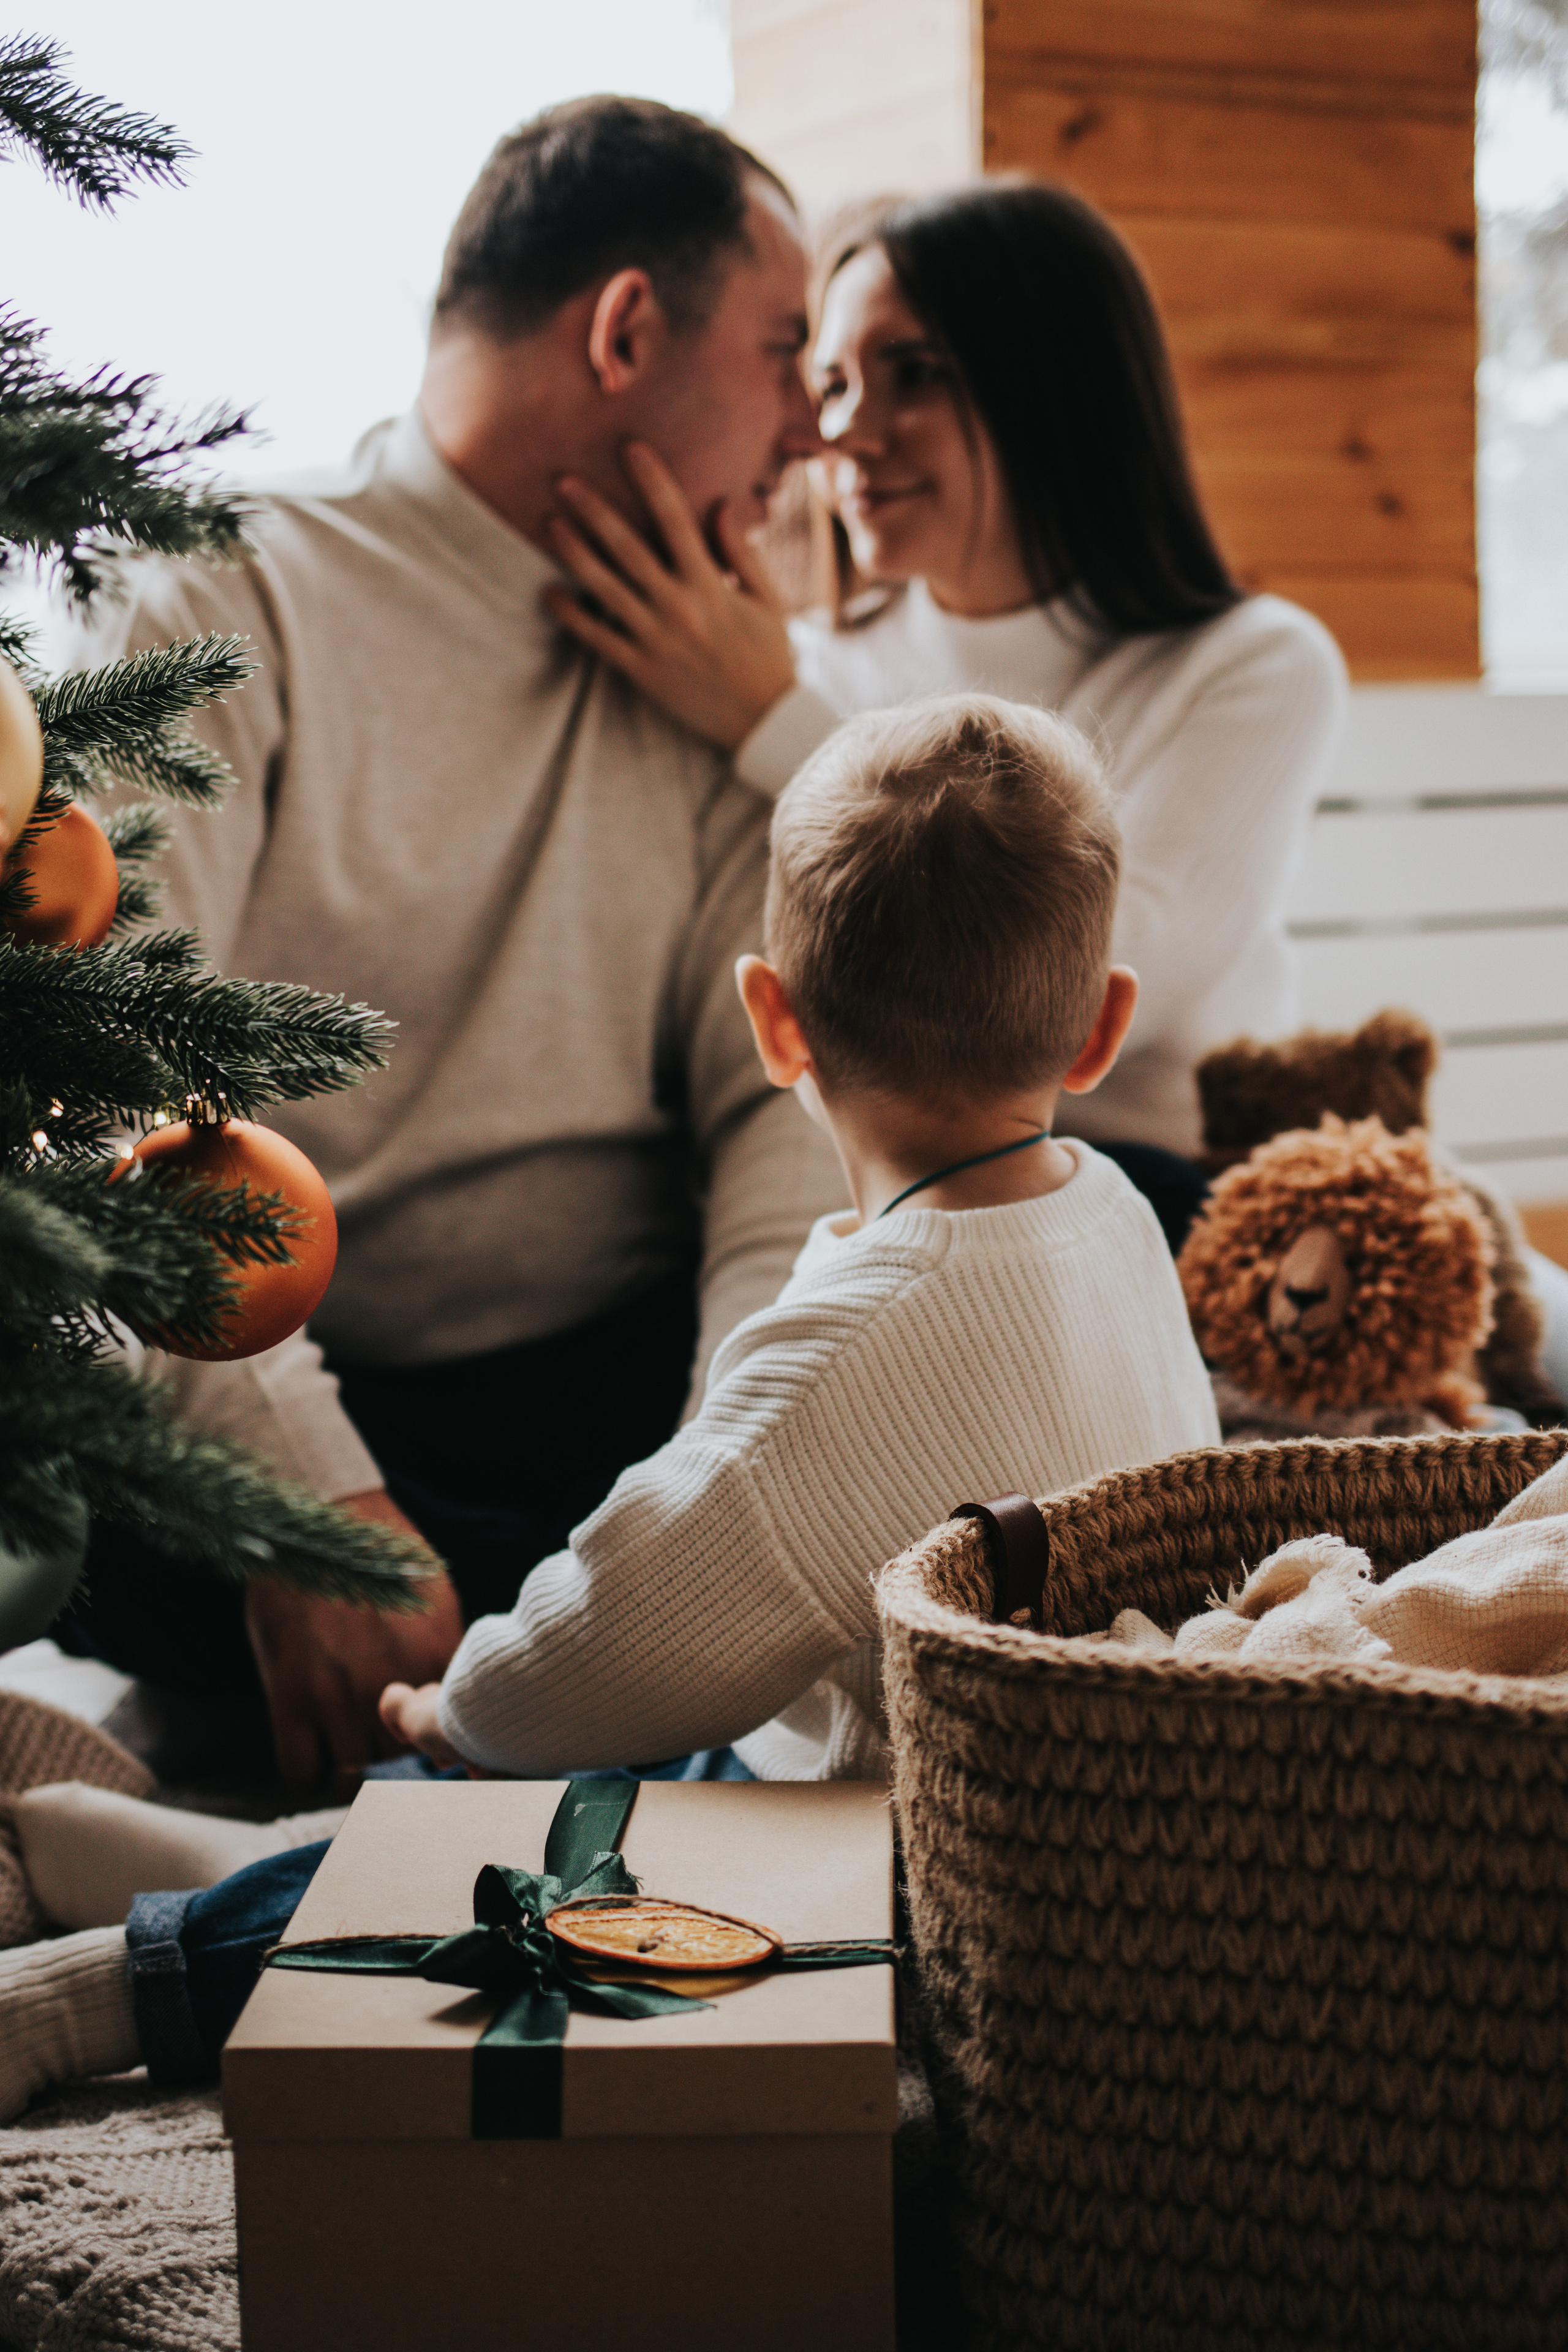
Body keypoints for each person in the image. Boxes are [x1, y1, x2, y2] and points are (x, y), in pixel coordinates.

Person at [2, 691, 1222, 2112]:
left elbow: (616, 1625)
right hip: (1035, 1820)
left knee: (518, 1894)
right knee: (617, 1777)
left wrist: (456, 1709)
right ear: (1100, 1029)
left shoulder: (842, 1358)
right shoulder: (1122, 1216)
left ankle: (111, 1985)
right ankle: (278, 1859)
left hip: (894, 1885)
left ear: (771, 1022)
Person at [55, 96, 845, 1790]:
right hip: (289, 1383)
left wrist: (722, 1492)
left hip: (615, 1402)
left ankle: (468, 1694)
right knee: (91, 1480)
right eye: (787, 352)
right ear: (628, 329)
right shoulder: (215, 595)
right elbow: (86, 1066)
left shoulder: (723, 656)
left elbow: (788, 1112)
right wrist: (301, 1495)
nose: (813, 427)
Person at [539, 178, 1349, 1243]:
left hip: (1168, 1204)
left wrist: (772, 723)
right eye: (829, 385)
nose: (846, 434)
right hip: (887, 1204)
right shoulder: (812, 670)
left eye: (912, 374)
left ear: (1055, 387)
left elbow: (1092, 969)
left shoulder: (1251, 665)